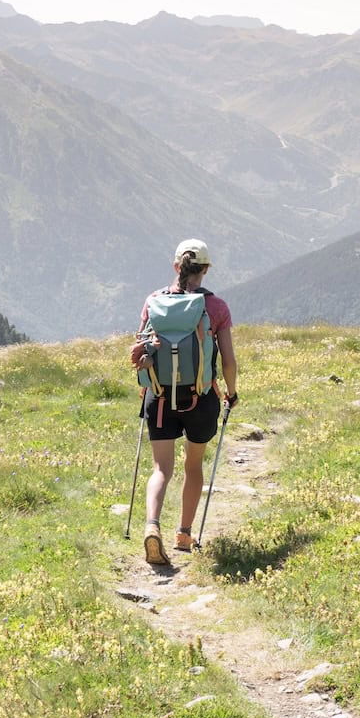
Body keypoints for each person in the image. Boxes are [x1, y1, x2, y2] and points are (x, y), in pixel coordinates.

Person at [134, 238, 239, 566]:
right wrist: (231, 393)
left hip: (160, 397)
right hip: (201, 399)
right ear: (205, 269)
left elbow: (140, 349)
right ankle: (183, 533)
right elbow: (229, 361)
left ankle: (152, 525)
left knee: (160, 468)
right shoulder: (216, 308)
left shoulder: (153, 301)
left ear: (176, 266)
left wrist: (145, 387)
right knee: (193, 466)